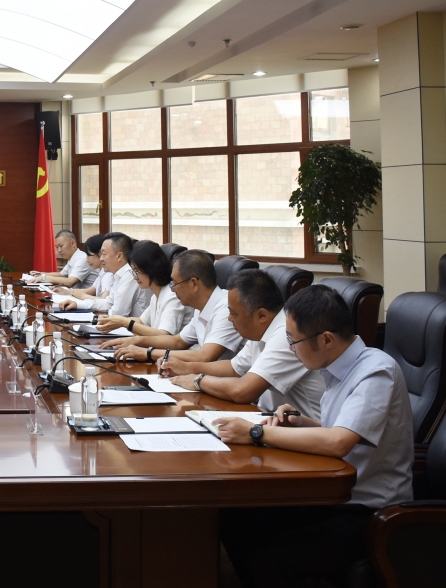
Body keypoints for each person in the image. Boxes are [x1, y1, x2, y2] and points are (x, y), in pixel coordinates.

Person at [214, 284, 414, 588]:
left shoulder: (375, 371)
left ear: (326, 339)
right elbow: (342, 429)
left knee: (269, 560)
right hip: (334, 495)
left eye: (293, 341)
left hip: (368, 512)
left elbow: (339, 442)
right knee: (235, 519)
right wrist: (302, 423)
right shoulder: (336, 368)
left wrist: (257, 432)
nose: (291, 349)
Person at [159, 269, 324, 417]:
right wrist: (186, 367)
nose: (229, 318)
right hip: (271, 419)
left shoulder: (286, 334)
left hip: (303, 432)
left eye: (234, 313)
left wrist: (197, 380)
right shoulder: (263, 329)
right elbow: (234, 368)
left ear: (261, 315)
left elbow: (242, 391)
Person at [103, 249, 244, 363]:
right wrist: (137, 340)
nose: (172, 289)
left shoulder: (226, 308)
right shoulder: (201, 307)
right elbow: (177, 341)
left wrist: (148, 353)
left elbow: (204, 356)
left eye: (175, 283)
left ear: (194, 283)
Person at [94, 240, 191, 337]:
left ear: (151, 268)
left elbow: (164, 335)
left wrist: (124, 322)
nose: (134, 277)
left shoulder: (173, 295)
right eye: (133, 271)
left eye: (137, 271)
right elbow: (141, 321)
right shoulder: (156, 296)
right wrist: (114, 321)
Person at [58, 233, 149, 316]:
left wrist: (98, 318)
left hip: (131, 327)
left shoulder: (129, 274)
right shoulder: (118, 274)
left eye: (104, 254)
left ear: (119, 256)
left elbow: (118, 313)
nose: (101, 258)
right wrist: (78, 304)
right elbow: (108, 303)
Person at [52, 234, 110, 302]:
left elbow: (104, 301)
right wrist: (68, 292)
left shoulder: (109, 274)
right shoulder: (102, 272)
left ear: (100, 253)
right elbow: (90, 290)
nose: (87, 259)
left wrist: (82, 296)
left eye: (89, 255)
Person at [29, 230, 97, 289]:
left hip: (88, 297)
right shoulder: (73, 257)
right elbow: (61, 274)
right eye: (57, 247)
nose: (59, 250)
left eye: (61, 246)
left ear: (72, 243)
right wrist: (41, 274)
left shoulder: (81, 259)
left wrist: (44, 278)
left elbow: (70, 282)